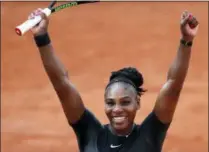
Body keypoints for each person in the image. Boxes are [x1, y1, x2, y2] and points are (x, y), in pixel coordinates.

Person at [29, 8, 199, 152]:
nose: (117, 109)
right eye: (110, 103)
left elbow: (173, 84)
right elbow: (61, 84)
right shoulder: (90, 133)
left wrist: (186, 41)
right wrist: (42, 37)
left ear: (137, 103)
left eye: (125, 102)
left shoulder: (150, 134)